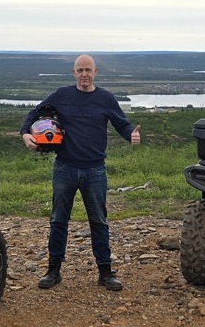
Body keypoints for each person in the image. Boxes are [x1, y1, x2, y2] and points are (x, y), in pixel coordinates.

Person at [21, 54, 141, 291]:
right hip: (64, 168)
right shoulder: (61, 95)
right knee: (58, 220)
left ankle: (105, 272)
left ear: (95, 72)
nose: (84, 74)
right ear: (73, 73)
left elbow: (122, 123)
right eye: (80, 70)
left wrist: (131, 135)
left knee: (98, 221)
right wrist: (25, 133)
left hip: (95, 169)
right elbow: (33, 114)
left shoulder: (105, 98)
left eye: (88, 70)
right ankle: (53, 271)